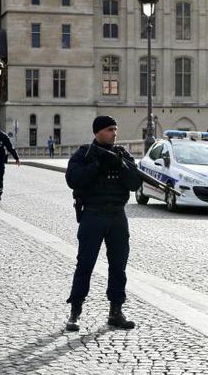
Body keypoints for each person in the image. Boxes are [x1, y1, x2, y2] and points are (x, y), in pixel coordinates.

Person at [64, 115, 142, 332]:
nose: (114, 134)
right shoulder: (85, 154)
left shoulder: (122, 154)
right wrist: (97, 165)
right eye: (109, 130)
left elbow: (135, 183)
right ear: (97, 132)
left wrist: (120, 164)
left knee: (119, 266)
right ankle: (75, 312)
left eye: (115, 129)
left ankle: (116, 311)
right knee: (85, 265)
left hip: (117, 215)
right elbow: (73, 179)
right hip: (93, 215)